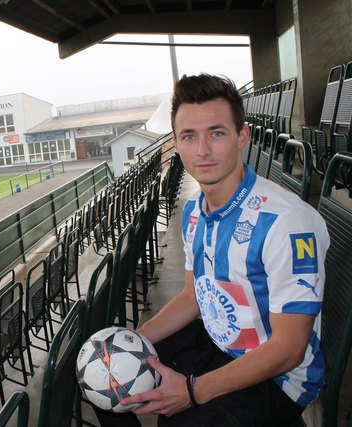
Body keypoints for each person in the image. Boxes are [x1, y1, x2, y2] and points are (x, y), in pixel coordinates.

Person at [96, 73, 330, 427]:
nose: (202, 151)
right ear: (176, 143)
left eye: (216, 133)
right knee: (102, 372)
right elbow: (193, 297)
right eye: (189, 136)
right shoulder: (193, 212)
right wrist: (134, 342)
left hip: (278, 378)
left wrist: (193, 390)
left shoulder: (285, 222)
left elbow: (289, 348)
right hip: (217, 343)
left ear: (242, 137)